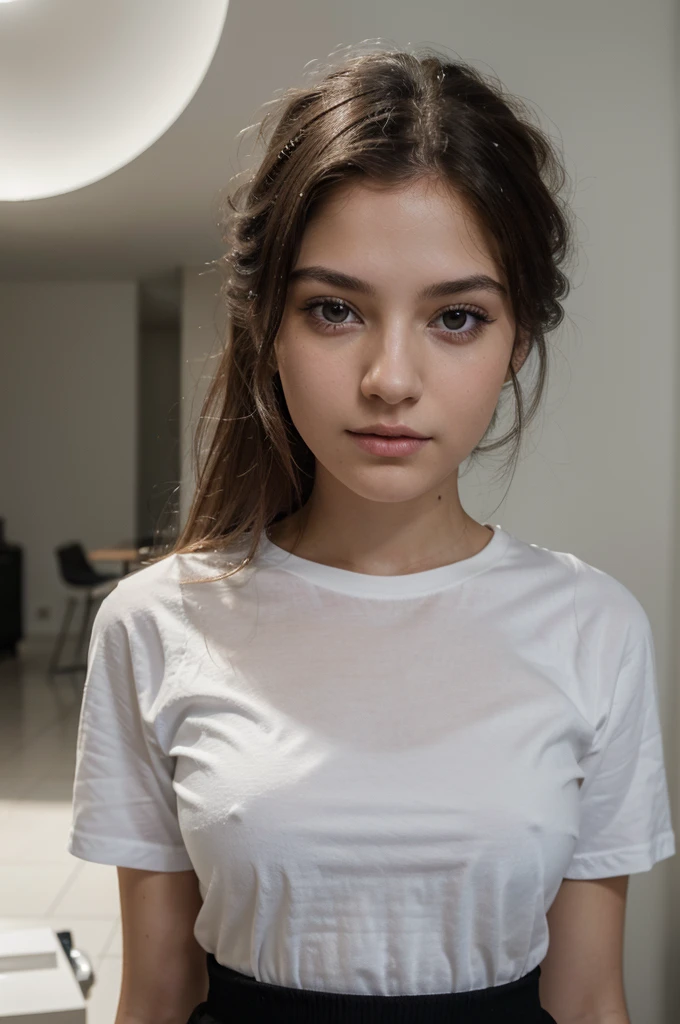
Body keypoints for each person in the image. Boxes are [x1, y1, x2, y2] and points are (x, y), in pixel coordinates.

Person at [68, 46, 676, 1024]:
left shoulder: (592, 626)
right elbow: (156, 994)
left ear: (516, 338)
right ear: (268, 324)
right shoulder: (153, 625)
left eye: (455, 318)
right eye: (335, 308)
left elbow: (587, 995)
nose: (388, 377)